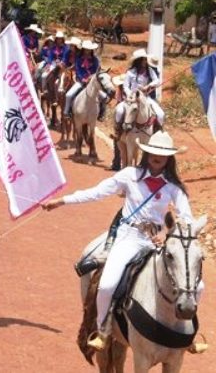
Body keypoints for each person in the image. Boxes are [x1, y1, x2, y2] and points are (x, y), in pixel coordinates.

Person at [42, 131, 205, 354]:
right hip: (129, 238)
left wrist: (167, 233)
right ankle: (102, 330)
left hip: (157, 242)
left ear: (169, 158)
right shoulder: (129, 175)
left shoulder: (174, 188)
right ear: (146, 154)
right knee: (108, 284)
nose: (157, 157)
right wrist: (62, 201)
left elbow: (186, 218)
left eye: (163, 154)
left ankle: (188, 333)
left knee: (198, 286)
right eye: (153, 152)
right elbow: (96, 193)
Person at [112, 49, 165, 146]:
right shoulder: (130, 72)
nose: (145, 62)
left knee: (160, 114)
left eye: (145, 59)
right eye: (143, 60)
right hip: (131, 98)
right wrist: (130, 94)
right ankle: (118, 131)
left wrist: (148, 86)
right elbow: (125, 86)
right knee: (119, 111)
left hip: (145, 97)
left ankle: (158, 133)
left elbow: (156, 80)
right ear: (138, 61)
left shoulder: (150, 71)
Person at [63, 39, 104, 120]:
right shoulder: (78, 59)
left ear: (91, 50)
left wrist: (91, 78)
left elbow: (96, 71)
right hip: (81, 81)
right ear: (83, 49)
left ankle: (101, 114)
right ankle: (67, 111)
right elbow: (78, 70)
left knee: (104, 96)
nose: (87, 51)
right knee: (69, 95)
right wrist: (83, 79)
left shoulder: (95, 60)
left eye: (89, 49)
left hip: (92, 82)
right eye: (86, 49)